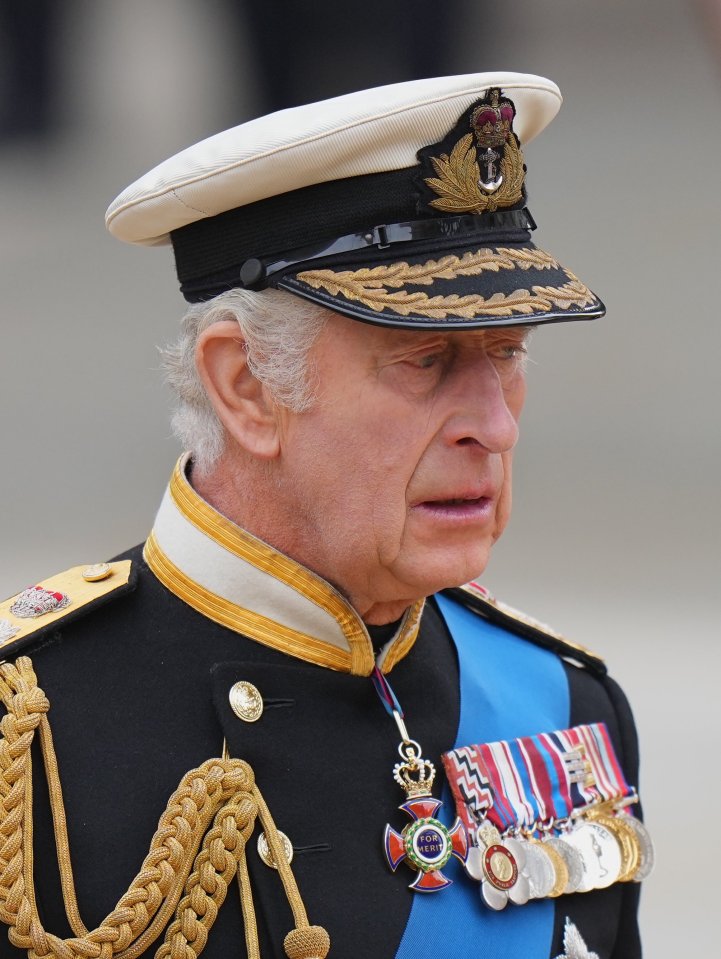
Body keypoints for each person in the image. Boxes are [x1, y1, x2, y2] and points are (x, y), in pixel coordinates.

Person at [0, 73, 647, 959]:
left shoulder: (558, 703)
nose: (494, 425)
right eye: (424, 362)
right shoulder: (30, 728)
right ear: (247, 386)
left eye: (506, 354)